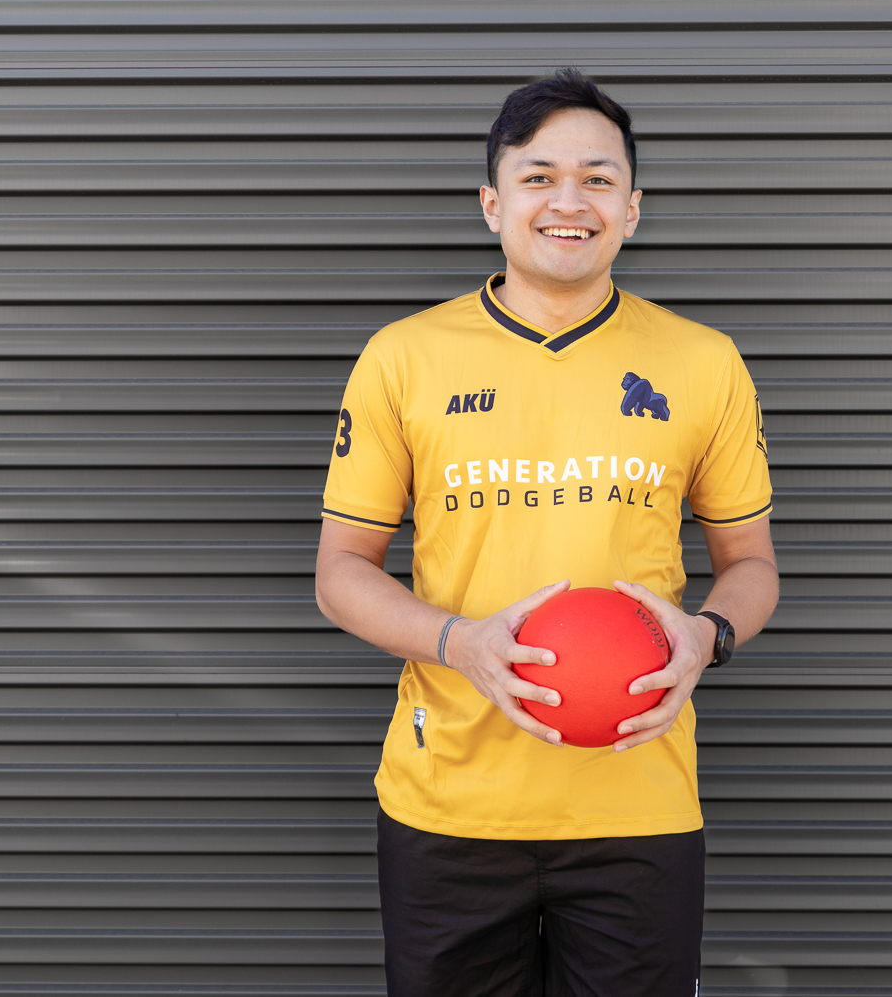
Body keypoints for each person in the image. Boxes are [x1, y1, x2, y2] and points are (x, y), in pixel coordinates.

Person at [315, 69, 779, 997]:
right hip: (449, 805)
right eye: (539, 177)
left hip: (638, 804)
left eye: (599, 178)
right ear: (494, 202)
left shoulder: (703, 361)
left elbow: (752, 563)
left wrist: (707, 635)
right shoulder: (405, 356)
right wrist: (463, 642)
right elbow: (341, 572)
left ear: (634, 208)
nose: (570, 200)